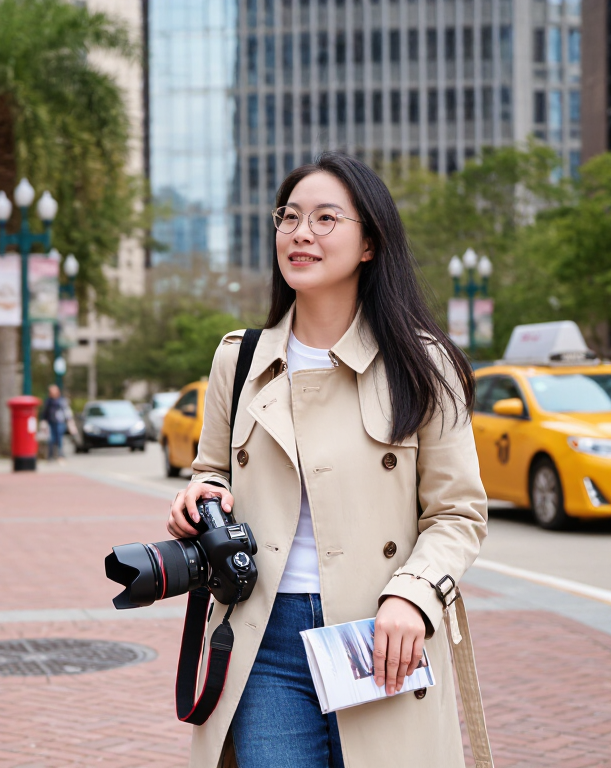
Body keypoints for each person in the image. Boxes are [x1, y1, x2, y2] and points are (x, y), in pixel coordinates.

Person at [166, 152, 487, 768]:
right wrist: (199, 500)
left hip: (379, 634)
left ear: (370, 242)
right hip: (264, 640)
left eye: (325, 218)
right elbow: (210, 471)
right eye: (288, 217)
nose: (300, 233)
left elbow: (458, 514)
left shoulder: (422, 365)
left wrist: (413, 595)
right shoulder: (239, 360)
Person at [40, 384, 71, 461]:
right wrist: (43, 421)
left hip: (60, 422)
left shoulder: (61, 400)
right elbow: (45, 412)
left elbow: (66, 411)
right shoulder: (48, 401)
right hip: (51, 422)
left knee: (59, 438)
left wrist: (69, 420)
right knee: (51, 439)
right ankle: (51, 455)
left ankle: (60, 455)